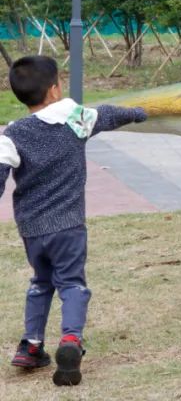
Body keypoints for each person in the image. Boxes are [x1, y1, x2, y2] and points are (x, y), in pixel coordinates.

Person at [0, 56, 147, 386]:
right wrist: (138, 113)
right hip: (67, 224)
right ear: (54, 90)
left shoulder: (13, 133)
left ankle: (32, 345)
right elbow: (109, 116)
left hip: (31, 229)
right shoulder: (75, 118)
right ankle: (70, 341)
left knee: (41, 282)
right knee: (71, 283)